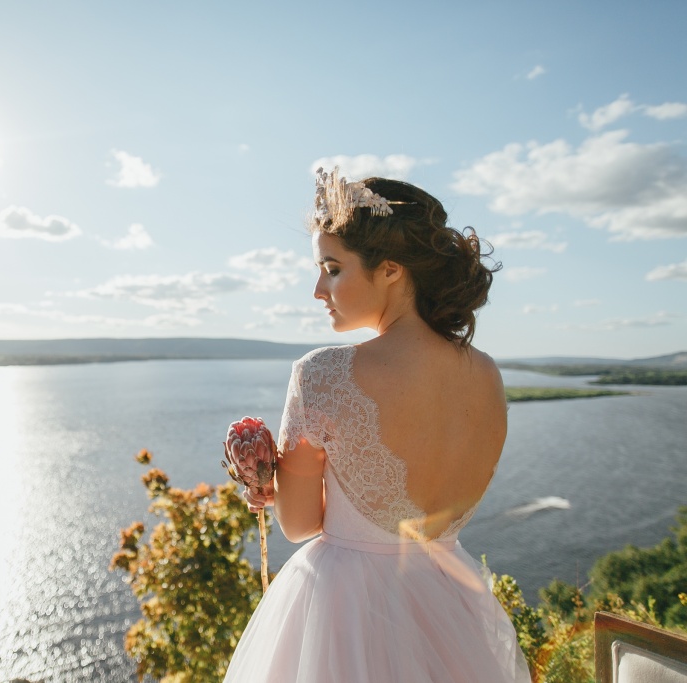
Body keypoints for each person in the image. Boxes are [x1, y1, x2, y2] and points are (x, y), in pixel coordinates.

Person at [222, 168, 532, 682]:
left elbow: (299, 526)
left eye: (332, 269)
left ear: (390, 270)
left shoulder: (322, 374)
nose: (318, 290)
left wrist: (270, 486)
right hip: (449, 610)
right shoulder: (487, 375)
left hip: (344, 613)